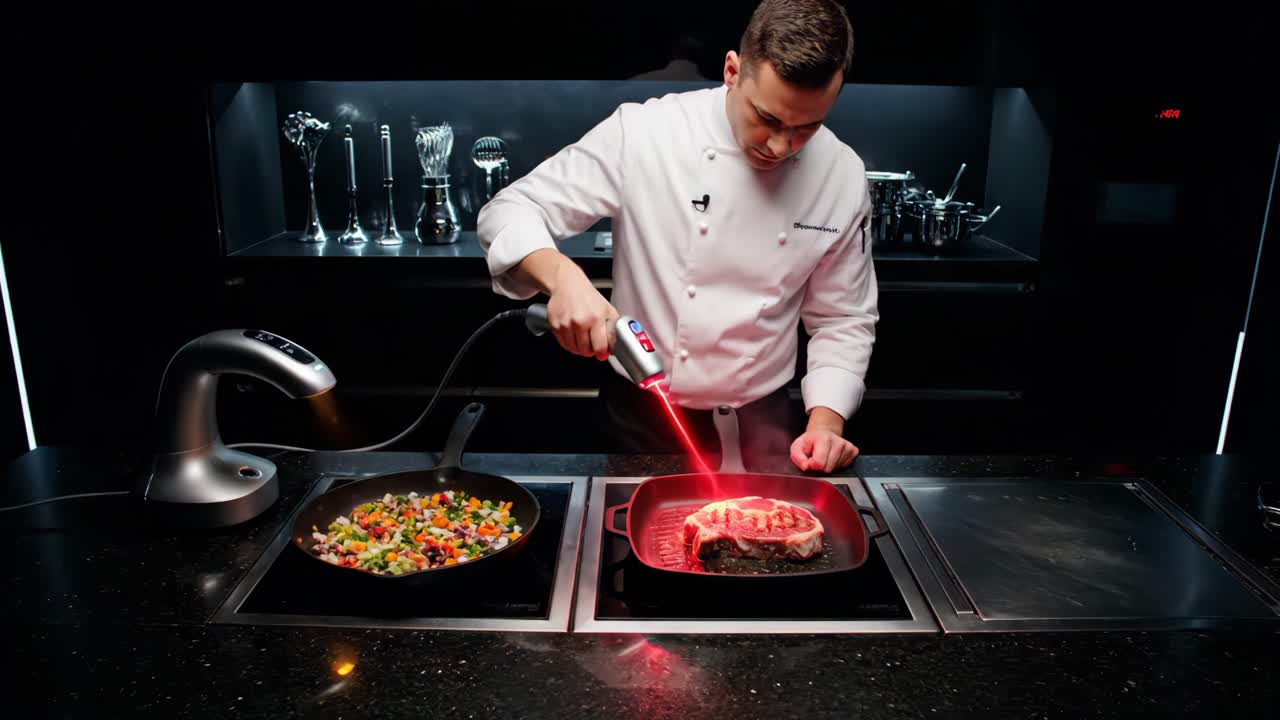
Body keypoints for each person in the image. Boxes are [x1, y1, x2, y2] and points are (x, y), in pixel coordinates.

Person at [477, 0, 877, 474]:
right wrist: (563, 277)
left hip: (766, 422)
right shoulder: (646, 133)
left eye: (806, 127)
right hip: (644, 417)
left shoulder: (842, 174)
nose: (780, 145)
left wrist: (826, 424)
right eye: (767, 119)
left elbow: (842, 319)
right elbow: (509, 210)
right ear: (732, 70)